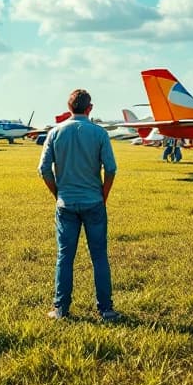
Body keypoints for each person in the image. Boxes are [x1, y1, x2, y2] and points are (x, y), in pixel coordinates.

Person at [39, 88, 120, 322]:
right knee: (99, 256)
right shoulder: (99, 133)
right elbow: (111, 169)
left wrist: (57, 193)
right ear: (90, 108)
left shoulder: (55, 133)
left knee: (65, 257)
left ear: (68, 107)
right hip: (94, 201)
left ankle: (61, 308)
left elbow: (43, 169)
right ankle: (106, 309)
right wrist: (103, 195)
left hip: (66, 203)